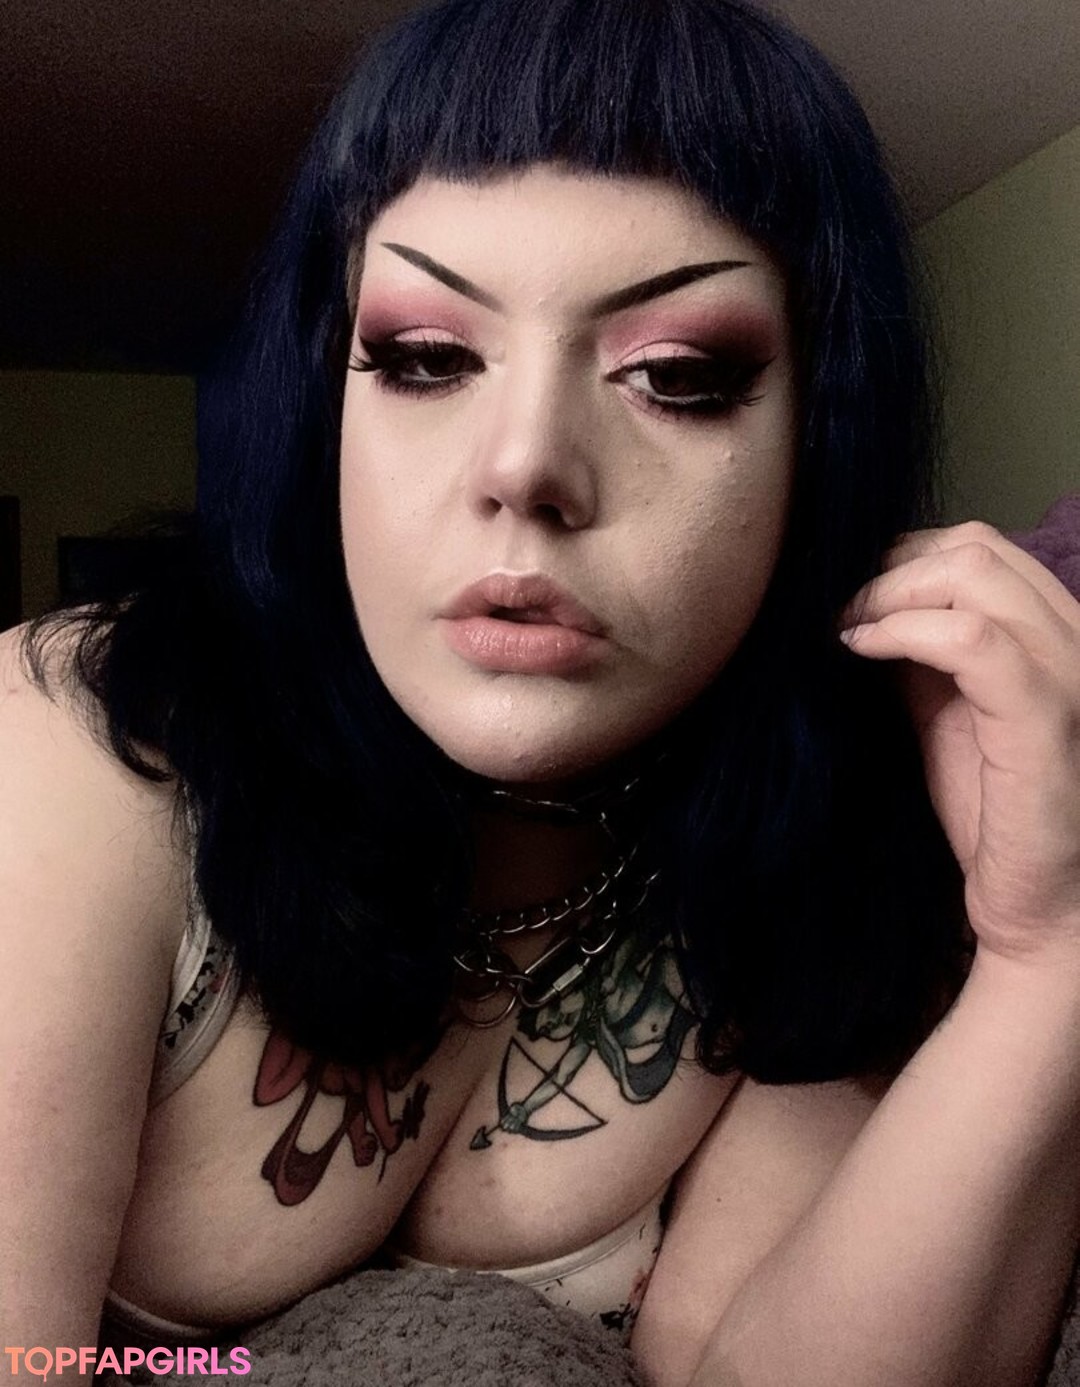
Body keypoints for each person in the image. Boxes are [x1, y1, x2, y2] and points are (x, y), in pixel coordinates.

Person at [2, 0, 1079, 1383]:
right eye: (425, 357)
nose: (523, 467)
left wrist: (1046, 956)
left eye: (675, 376)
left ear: (820, 441)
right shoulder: (73, 752)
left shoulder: (819, 849)